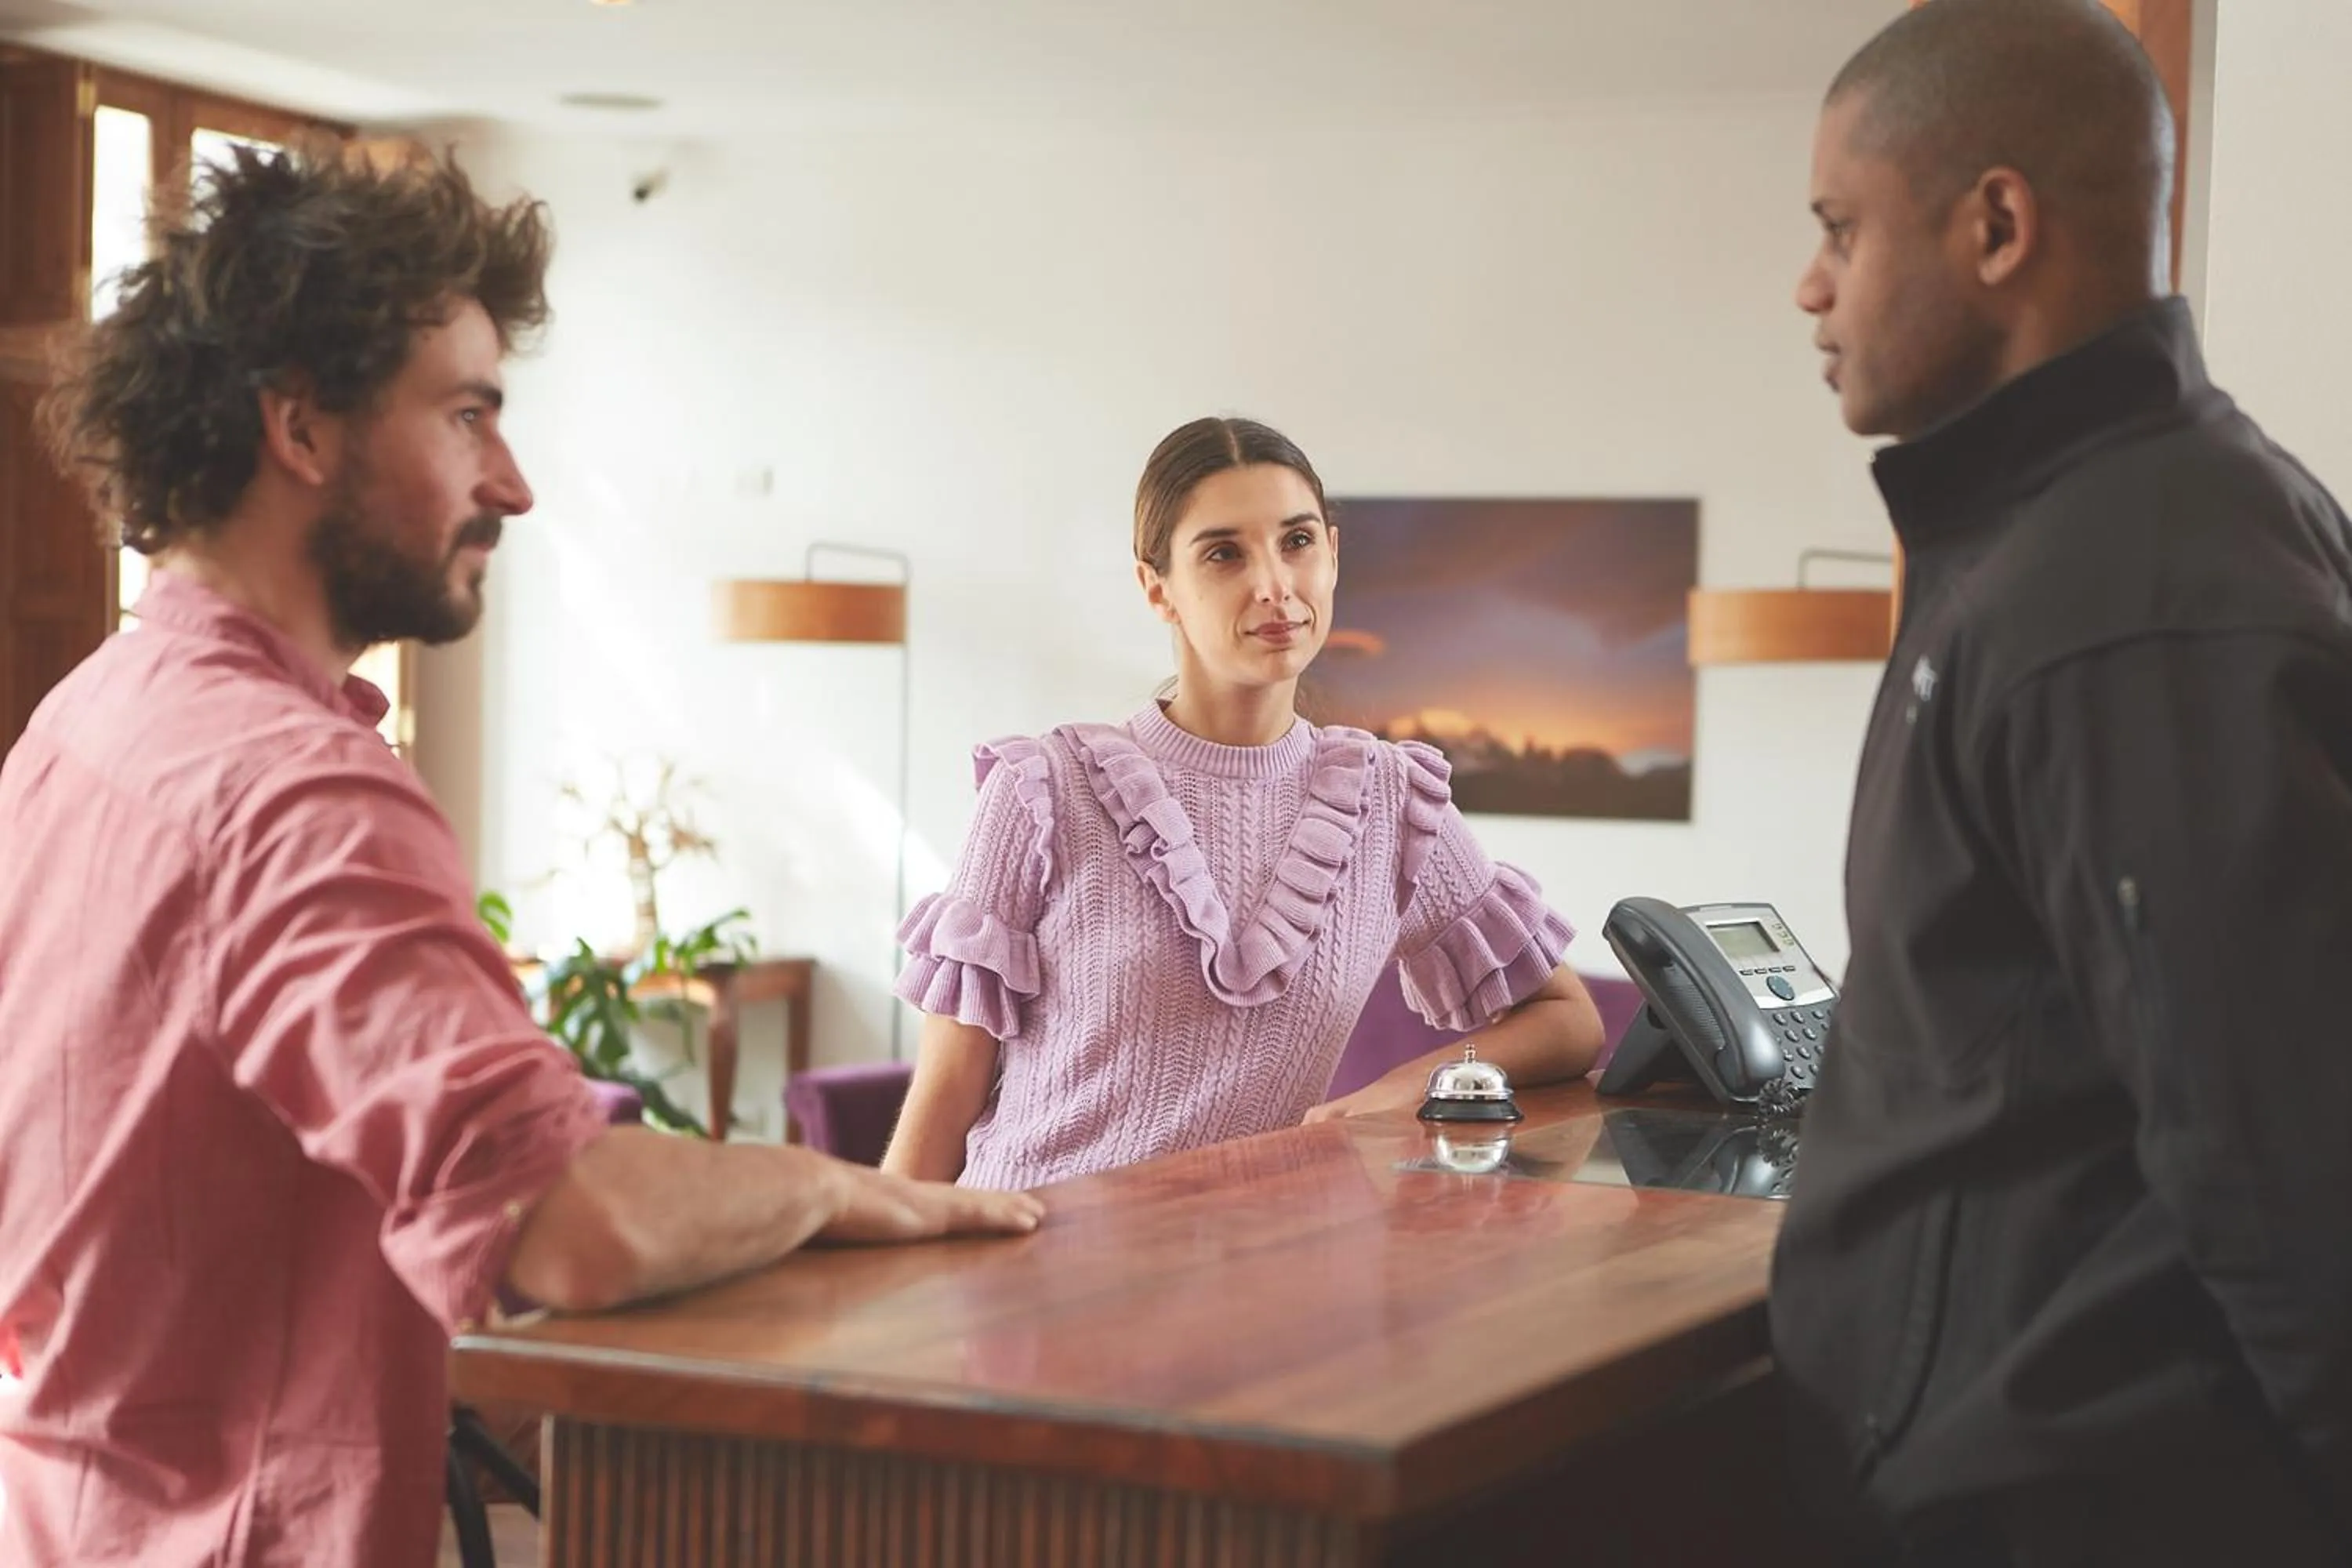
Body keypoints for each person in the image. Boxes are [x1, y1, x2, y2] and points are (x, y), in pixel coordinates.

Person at [0, 142, 1040, 1568]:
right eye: (471, 414)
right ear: (302, 431)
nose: (516, 483)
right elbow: (573, 1227)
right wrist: (842, 1183)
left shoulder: (86, 720)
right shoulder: (294, 791)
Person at [1772, 1, 2351, 1560]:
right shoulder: (2106, 528)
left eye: (1841, 227)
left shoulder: (2124, 592)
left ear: (1998, 225)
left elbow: (2281, 1161)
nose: (1810, 285)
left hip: (2079, 1506)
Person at [883, 416, 1606, 1189]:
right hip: (1026, 1256)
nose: (1274, 586)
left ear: (1332, 553)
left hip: (1249, 1274)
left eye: (1296, 542)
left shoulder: (1391, 802)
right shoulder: (1042, 789)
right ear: (1157, 587)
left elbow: (1566, 1018)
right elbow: (944, 1103)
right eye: (1224, 553)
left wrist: (1402, 1089)